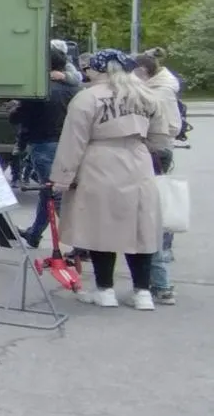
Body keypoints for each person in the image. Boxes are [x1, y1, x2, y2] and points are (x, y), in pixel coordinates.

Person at [48, 49, 173, 310]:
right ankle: (142, 293)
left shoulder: (88, 98)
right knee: (141, 229)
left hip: (99, 161)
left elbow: (73, 141)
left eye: (90, 69)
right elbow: (162, 136)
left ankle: (105, 290)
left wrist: (62, 177)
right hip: (138, 161)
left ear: (100, 70)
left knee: (101, 228)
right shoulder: (146, 95)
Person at [13, 44, 82, 248]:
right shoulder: (74, 89)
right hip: (69, 143)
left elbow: (19, 118)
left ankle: (81, 243)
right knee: (48, 191)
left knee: (54, 192)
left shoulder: (39, 91)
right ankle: (35, 232)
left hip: (43, 143)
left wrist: (20, 138)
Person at [134, 54, 181, 304]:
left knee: (151, 217)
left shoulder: (158, 92)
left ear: (142, 71)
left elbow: (168, 127)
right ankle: (158, 279)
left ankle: (160, 283)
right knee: (154, 215)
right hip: (158, 152)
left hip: (153, 154)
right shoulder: (160, 88)